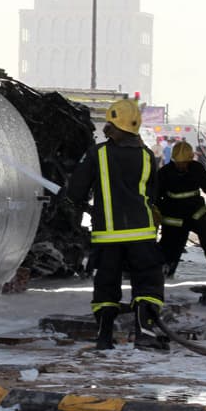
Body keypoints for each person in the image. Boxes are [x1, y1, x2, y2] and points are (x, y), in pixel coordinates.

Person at [65, 99, 167, 351]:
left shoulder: (97, 154)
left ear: (112, 124)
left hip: (107, 236)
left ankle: (104, 337)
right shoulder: (147, 156)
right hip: (142, 235)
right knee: (148, 283)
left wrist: (81, 203)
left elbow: (75, 192)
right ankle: (145, 332)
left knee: (106, 287)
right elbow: (153, 195)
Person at [157, 141, 206, 277]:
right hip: (174, 217)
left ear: (190, 159)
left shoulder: (197, 169)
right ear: (173, 160)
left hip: (197, 213)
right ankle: (166, 269)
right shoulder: (164, 173)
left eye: (185, 162)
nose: (181, 165)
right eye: (179, 163)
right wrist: (157, 212)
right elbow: (156, 196)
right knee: (170, 244)